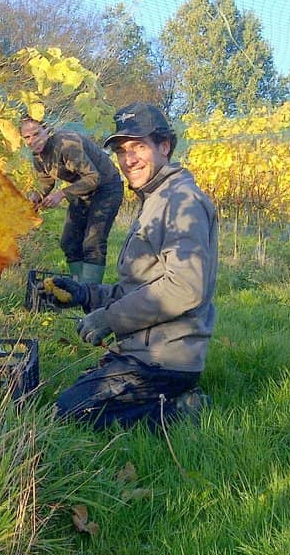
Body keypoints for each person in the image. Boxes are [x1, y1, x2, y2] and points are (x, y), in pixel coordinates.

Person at [43, 103, 218, 429]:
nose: (129, 159)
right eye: (122, 151)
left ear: (164, 146)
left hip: (166, 358)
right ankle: (159, 397)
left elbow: (185, 288)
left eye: (139, 147)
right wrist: (84, 295)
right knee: (76, 396)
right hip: (144, 349)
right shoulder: (156, 198)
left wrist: (108, 319)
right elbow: (137, 289)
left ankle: (181, 408)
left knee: (70, 415)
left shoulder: (182, 202)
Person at [19, 117, 124, 284]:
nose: (32, 140)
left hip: (106, 187)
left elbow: (93, 178)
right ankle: (78, 290)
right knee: (69, 242)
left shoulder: (67, 144)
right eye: (27, 137)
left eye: (36, 134)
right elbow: (46, 182)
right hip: (81, 189)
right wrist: (36, 196)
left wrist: (61, 194)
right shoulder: (38, 157)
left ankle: (91, 294)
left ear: (47, 130)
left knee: (92, 242)